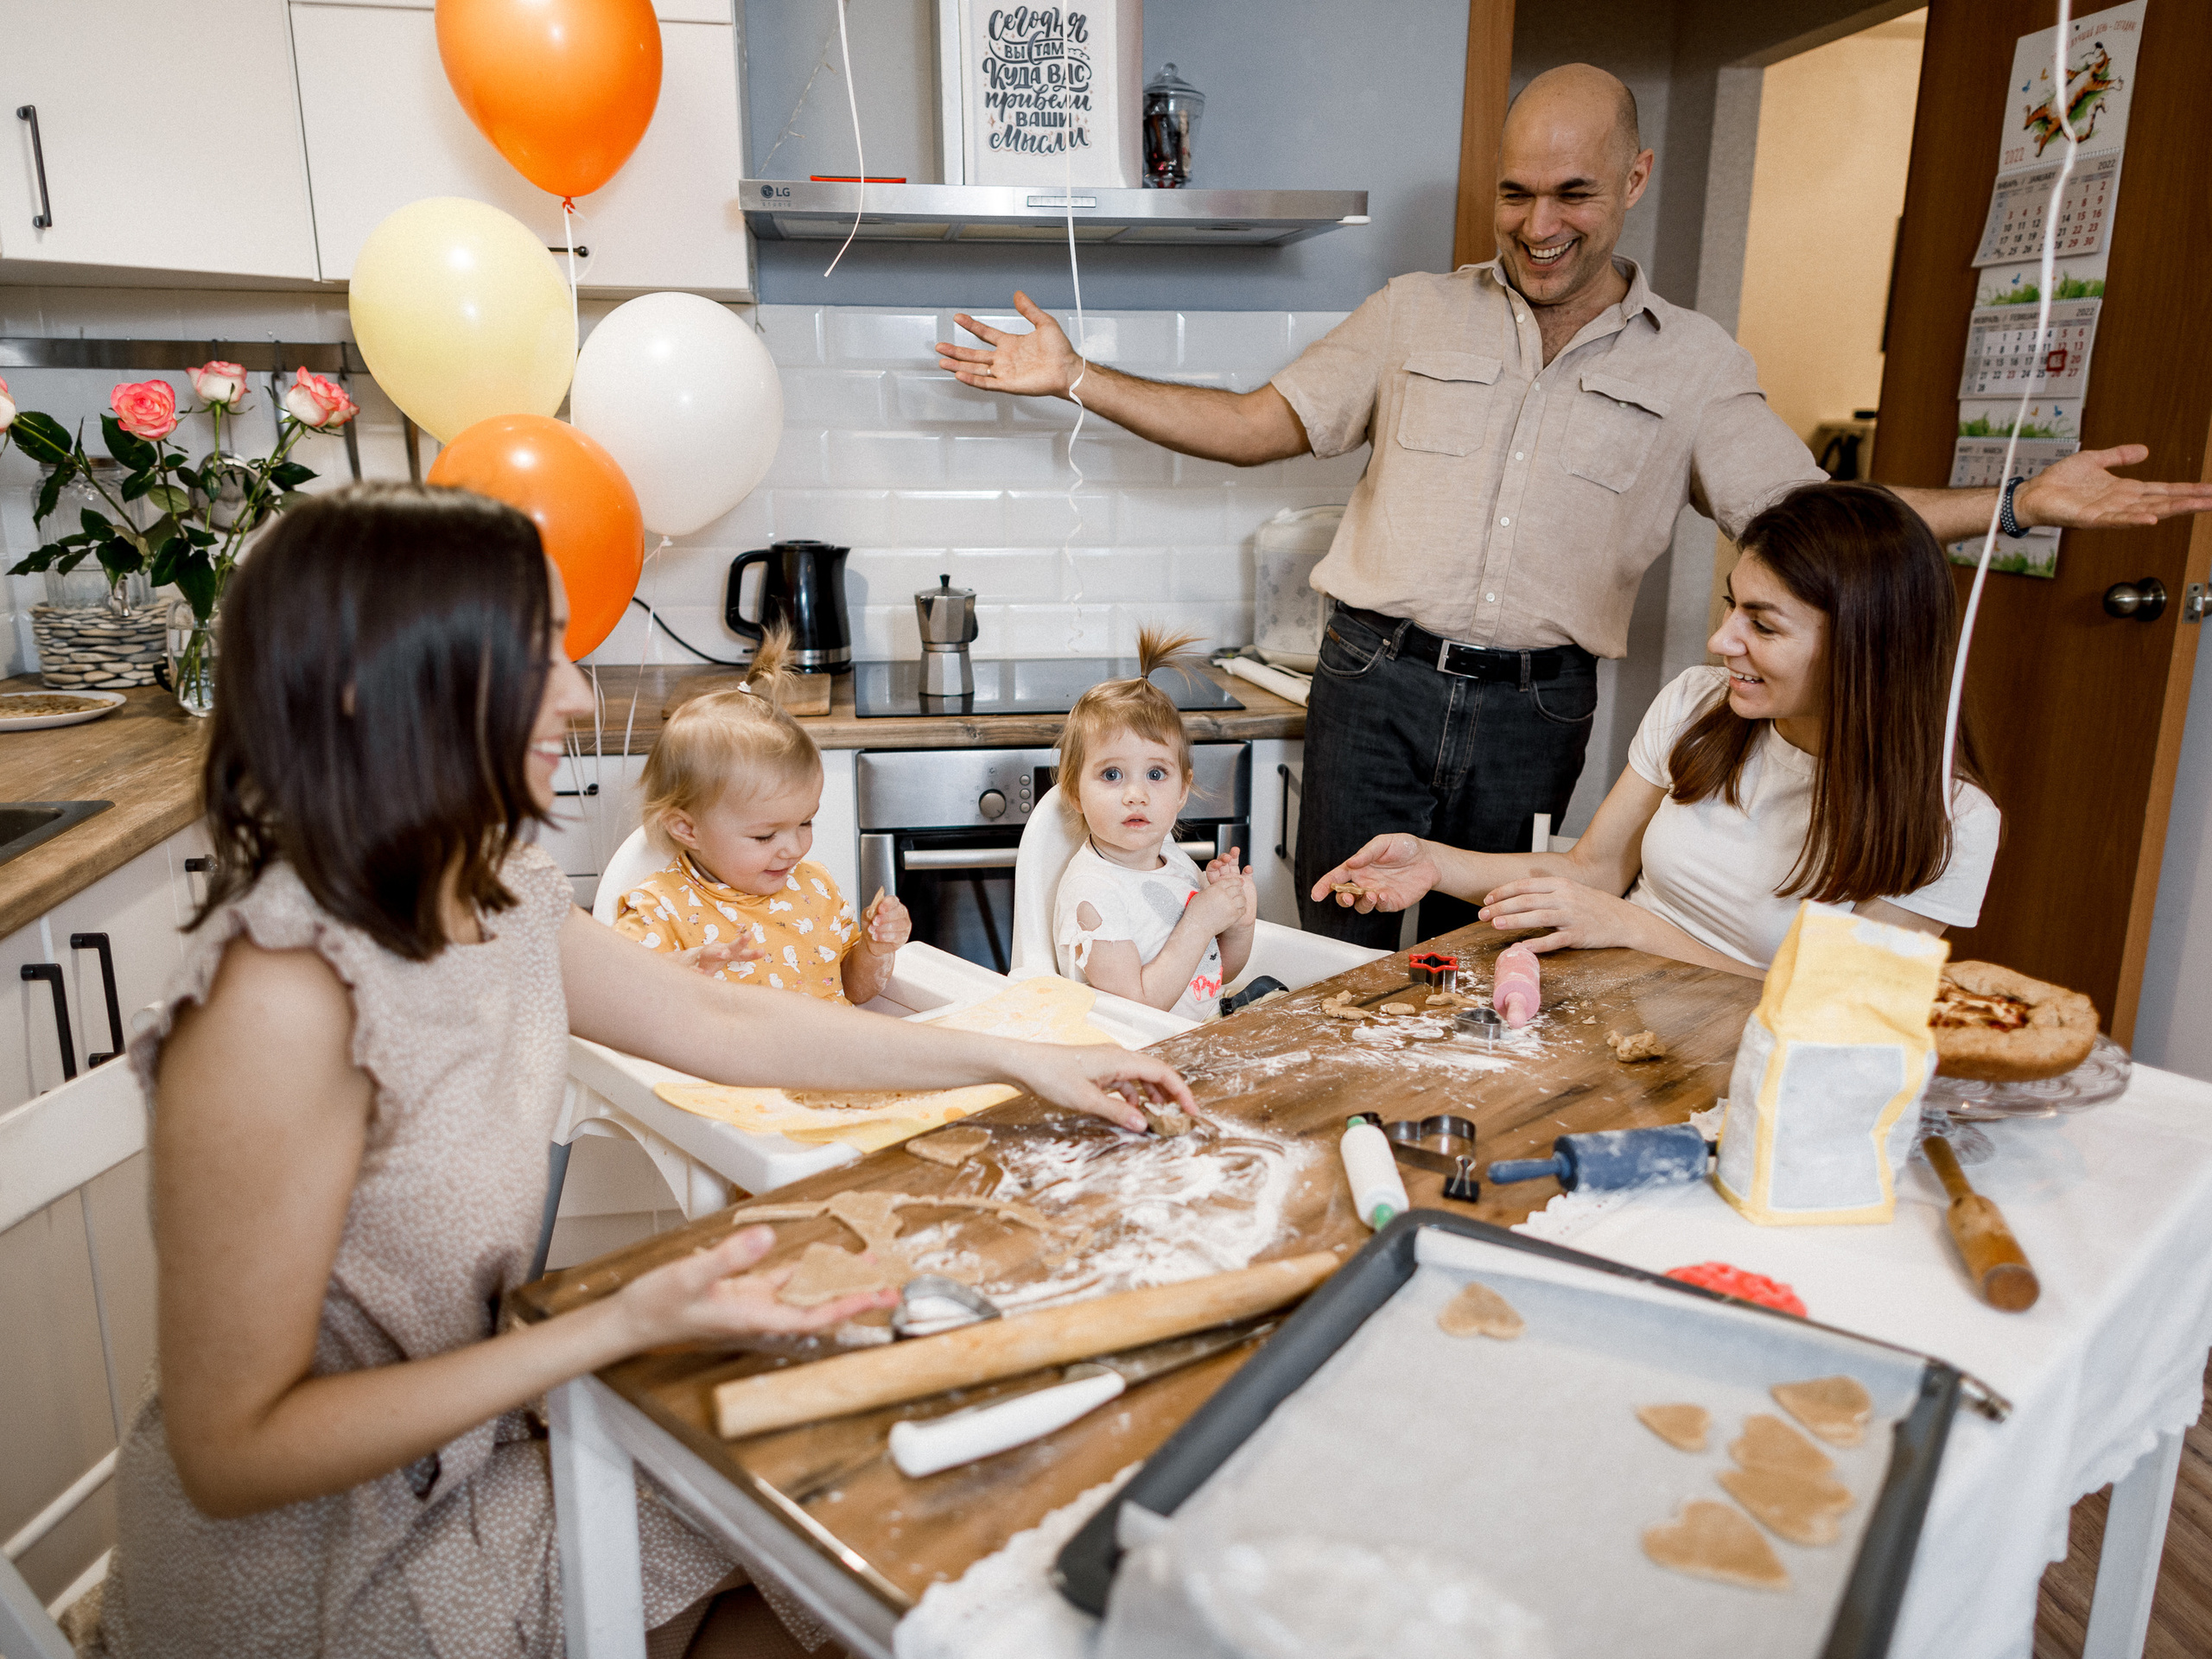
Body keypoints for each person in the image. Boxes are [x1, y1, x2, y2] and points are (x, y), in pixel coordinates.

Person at [91, 484, 1192, 1659]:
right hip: (328, 1580)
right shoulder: (281, 1000)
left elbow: (731, 1024)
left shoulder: (489, 887)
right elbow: (235, 1453)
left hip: (479, 1461)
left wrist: (1018, 1059)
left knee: (873, 1546)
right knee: (858, 1563)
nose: (577, 690)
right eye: (534, 656)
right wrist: (613, 1325)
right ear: (384, 685)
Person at [935, 62, 2212, 950]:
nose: (1537, 226)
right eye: (1514, 194)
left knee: (1507, 950)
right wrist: (1078, 378)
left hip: (1537, 704)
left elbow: (1824, 525)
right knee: (1343, 933)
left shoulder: (1697, 364)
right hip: (1374, 676)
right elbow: (1258, 425)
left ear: (1636, 177)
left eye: (1573, 195)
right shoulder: (1413, 314)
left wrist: (2015, 499)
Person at [1309, 482, 1998, 976]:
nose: (1723, 640)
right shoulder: (1701, 706)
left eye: (1763, 624)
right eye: (1734, 609)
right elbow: (1596, 871)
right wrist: (1434, 865)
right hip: (1608, 1006)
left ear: (1866, 646)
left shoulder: (1952, 820)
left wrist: (1636, 931)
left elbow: (1835, 1015)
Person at [612, 622, 911, 1003]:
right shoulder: (660, 909)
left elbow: (852, 990)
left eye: (805, 822)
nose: (794, 849)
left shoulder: (814, 888)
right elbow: (617, 1000)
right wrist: (684, 970)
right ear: (687, 828)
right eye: (765, 836)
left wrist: (874, 950)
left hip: (830, 1057)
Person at [1052, 626, 1258, 1018]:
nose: (1136, 794)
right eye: (1112, 775)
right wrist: (1200, 920)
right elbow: (1139, 1008)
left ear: (1183, 789)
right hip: (1137, 1060)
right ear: (1074, 792)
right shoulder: (1092, 894)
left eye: (1156, 774)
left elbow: (1211, 977)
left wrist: (1238, 921)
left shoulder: (1173, 859)